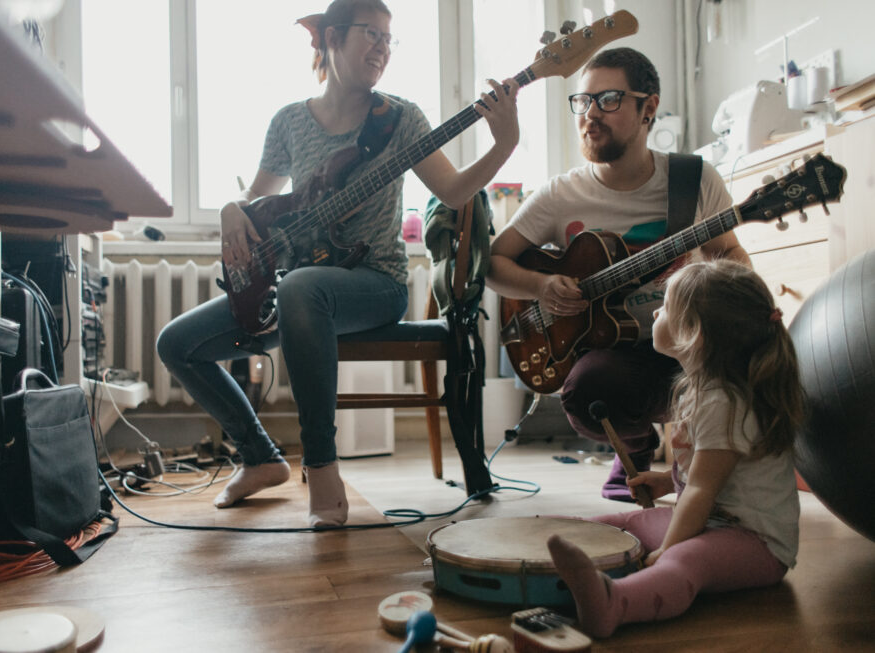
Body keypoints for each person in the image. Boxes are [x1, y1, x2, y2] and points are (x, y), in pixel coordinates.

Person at [156, 0, 519, 527]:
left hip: (376, 286)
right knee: (177, 344)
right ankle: (259, 458)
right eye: (370, 34)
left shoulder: (400, 119)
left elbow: (456, 190)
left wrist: (505, 143)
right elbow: (258, 200)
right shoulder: (288, 122)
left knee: (302, 288)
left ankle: (322, 470)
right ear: (330, 38)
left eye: (389, 39)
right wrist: (231, 208)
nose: (382, 48)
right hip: (295, 289)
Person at [486, 47, 751, 501]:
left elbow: (729, 254)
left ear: (649, 107)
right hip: (612, 354)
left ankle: (712, 474)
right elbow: (494, 263)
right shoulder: (560, 195)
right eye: (582, 101)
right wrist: (542, 285)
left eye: (608, 99)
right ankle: (635, 445)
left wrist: (746, 305)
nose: (590, 114)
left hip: (684, 348)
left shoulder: (692, 180)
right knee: (587, 391)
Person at [547, 259, 805, 637]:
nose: (655, 311)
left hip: (756, 544)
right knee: (623, 525)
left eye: (666, 306)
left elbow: (702, 490)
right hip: (716, 523)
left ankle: (614, 603)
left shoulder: (724, 402)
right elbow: (710, 473)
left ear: (693, 333)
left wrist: (666, 549)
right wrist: (666, 482)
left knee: (683, 560)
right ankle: (562, 564)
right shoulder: (703, 389)